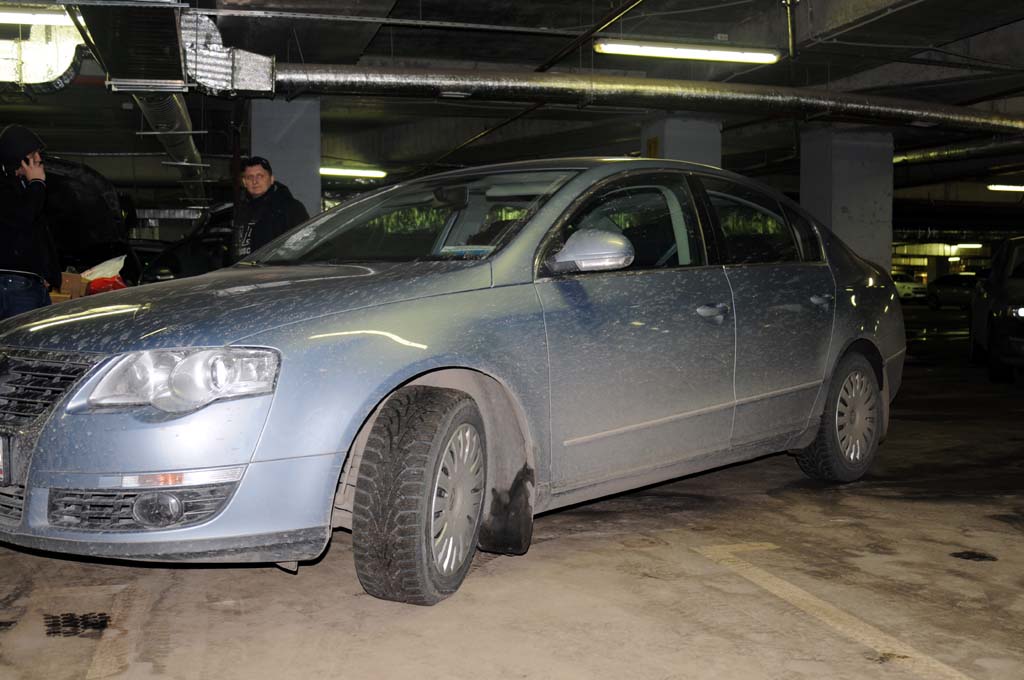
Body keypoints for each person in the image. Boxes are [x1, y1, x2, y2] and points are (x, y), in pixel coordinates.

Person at [0, 124, 60, 320]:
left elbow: (36, 232)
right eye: (33, 154)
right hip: (14, 283)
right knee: (22, 336)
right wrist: (37, 183)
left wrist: (44, 273)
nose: (38, 159)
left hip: (27, 281)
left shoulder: (20, 187)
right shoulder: (7, 188)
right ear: (17, 155)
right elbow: (23, 218)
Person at [231, 156, 309, 262]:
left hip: (278, 271)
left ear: (271, 179)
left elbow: (305, 244)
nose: (255, 181)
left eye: (260, 176)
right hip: (244, 271)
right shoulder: (242, 211)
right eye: (250, 177)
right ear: (244, 182)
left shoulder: (291, 208)